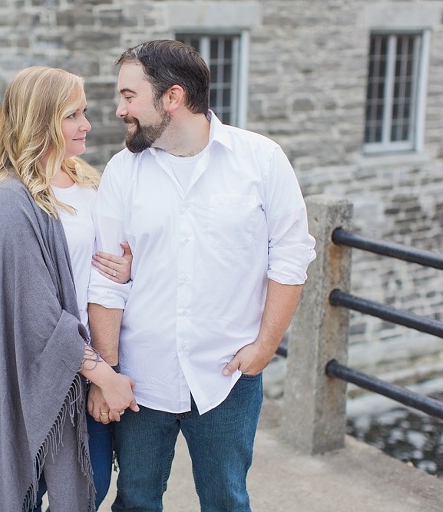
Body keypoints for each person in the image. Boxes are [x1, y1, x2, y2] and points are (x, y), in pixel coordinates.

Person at [86, 40, 317, 511]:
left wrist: (265, 347)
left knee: (227, 501)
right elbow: (106, 281)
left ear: (172, 96)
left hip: (227, 377)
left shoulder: (262, 160)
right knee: (135, 502)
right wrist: (106, 374)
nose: (120, 109)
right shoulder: (122, 171)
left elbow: (291, 257)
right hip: (140, 380)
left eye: (129, 96)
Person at [0, 66, 139, 512]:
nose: (86, 124)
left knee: (91, 486)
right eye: (72, 115)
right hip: (35, 376)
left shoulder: (87, 179)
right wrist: (105, 376)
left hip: (88, 363)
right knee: (26, 494)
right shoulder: (10, 200)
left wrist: (127, 266)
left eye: (84, 112)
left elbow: (104, 256)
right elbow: (33, 313)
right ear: (39, 120)